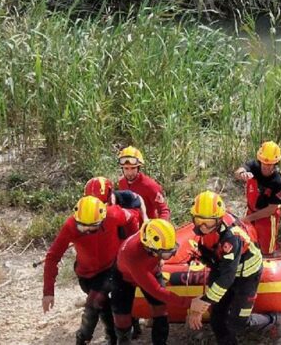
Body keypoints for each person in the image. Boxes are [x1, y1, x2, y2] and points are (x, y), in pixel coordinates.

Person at [186, 191, 281, 344]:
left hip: (247, 276)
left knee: (238, 323)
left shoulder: (231, 237)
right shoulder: (206, 231)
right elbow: (217, 266)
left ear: (219, 219)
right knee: (217, 319)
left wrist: (205, 300)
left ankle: (276, 320)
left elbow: (228, 275)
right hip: (223, 269)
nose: (203, 227)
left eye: (208, 222)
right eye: (199, 220)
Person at [42, 195, 136, 345]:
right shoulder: (70, 226)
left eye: (92, 227)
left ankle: (82, 339)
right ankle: (112, 338)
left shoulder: (113, 214)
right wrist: (48, 292)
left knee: (94, 305)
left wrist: (128, 244)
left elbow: (133, 217)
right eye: (82, 226)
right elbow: (53, 257)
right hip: (86, 274)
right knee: (103, 307)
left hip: (111, 268)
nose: (86, 230)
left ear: (102, 219)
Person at [114, 219, 191, 345]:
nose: (169, 256)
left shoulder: (156, 232)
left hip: (150, 268)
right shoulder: (133, 257)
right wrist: (189, 303)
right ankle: (124, 339)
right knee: (122, 315)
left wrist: (160, 258)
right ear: (149, 248)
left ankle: (160, 342)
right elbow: (157, 291)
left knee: (161, 310)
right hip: (124, 278)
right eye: (164, 253)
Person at [233, 141, 281, 256]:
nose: (266, 166)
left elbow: (271, 209)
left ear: (275, 163)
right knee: (248, 243)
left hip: (267, 218)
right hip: (251, 211)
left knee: (267, 250)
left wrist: (247, 219)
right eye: (264, 163)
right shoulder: (253, 166)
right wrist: (242, 174)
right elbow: (238, 172)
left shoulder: (277, 182)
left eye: (270, 164)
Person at [116, 146, 171, 220]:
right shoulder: (121, 183)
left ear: (138, 168)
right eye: (126, 168)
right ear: (122, 168)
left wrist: (160, 225)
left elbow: (164, 211)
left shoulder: (150, 186)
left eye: (133, 168)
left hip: (147, 225)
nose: (129, 173)